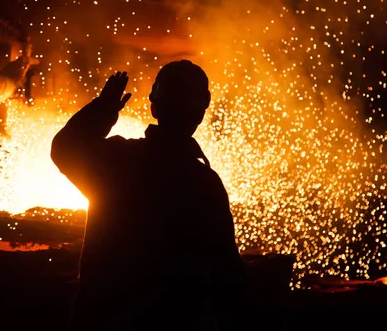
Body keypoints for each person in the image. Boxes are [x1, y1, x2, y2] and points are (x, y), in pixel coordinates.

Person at [51, 61, 248, 330]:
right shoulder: (204, 184)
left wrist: (105, 107)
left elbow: (64, 149)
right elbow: (226, 272)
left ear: (154, 106)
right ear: (201, 114)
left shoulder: (118, 162)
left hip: (105, 320)